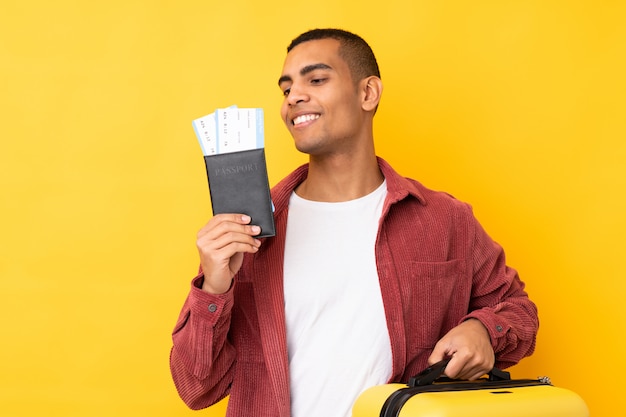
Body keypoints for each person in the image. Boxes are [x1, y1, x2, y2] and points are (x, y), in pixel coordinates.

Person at [169, 28, 539, 417]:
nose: (294, 97)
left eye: (316, 79)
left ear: (368, 93)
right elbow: (197, 387)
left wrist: (483, 329)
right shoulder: (248, 231)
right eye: (286, 88)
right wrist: (214, 285)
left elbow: (518, 310)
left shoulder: (444, 220)